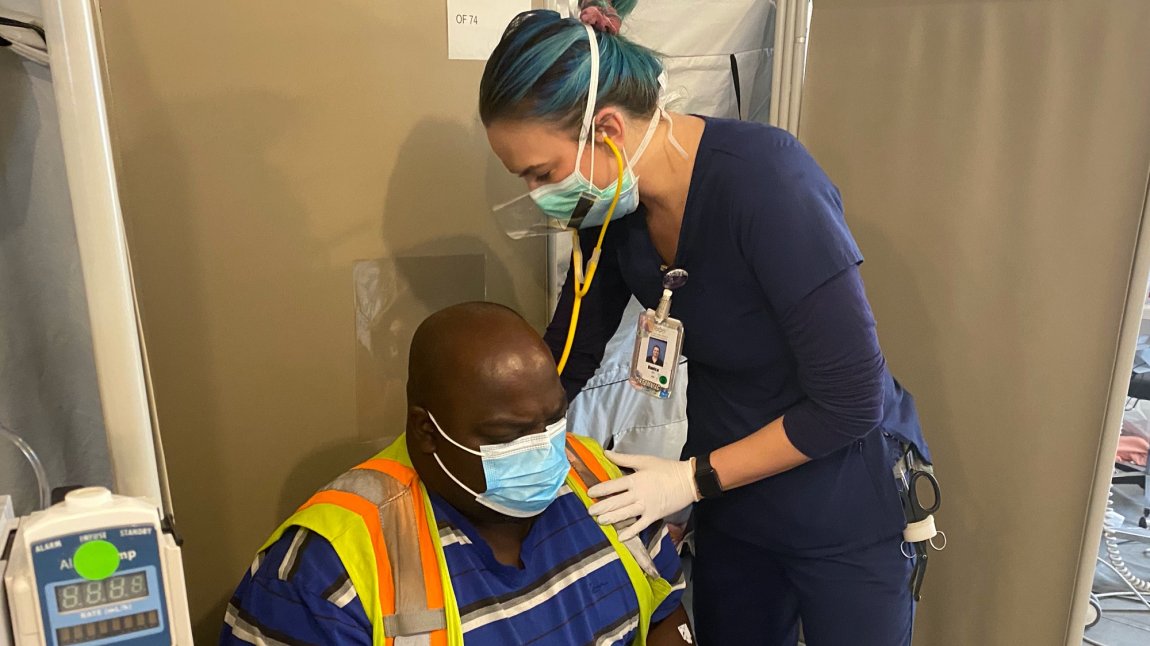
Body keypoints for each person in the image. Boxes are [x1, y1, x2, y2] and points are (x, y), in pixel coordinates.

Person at [479, 2, 933, 645]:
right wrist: (494, 443)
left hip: (842, 500)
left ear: (606, 128)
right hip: (736, 504)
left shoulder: (768, 184)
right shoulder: (613, 211)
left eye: (541, 173)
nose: (538, 195)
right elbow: (570, 352)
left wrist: (689, 479)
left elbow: (852, 400)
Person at [220, 302, 691, 645]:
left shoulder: (603, 483)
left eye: (553, 421)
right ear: (427, 430)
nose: (546, 449)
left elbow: (666, 616)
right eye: (508, 433)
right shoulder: (322, 573)